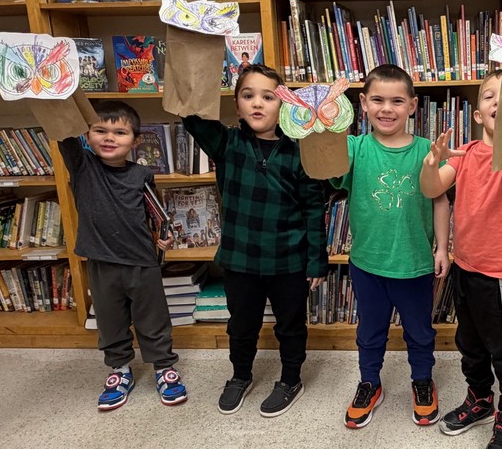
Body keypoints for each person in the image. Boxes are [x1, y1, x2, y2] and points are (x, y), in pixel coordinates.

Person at [178, 64, 327, 418]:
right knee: (241, 324)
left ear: (284, 105)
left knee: (291, 325)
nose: (257, 104)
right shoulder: (228, 142)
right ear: (236, 105)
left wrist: (316, 260)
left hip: (288, 260)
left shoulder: (299, 151)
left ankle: (291, 379)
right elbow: (191, 116)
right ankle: (239, 375)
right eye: (248, 96)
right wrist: (195, 59)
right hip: (240, 258)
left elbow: (313, 208)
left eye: (268, 97)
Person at [419, 71, 502, 449]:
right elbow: (431, 189)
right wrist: (431, 162)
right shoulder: (466, 154)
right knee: (469, 344)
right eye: (491, 96)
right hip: (466, 269)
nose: (499, 103)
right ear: (477, 113)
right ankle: (480, 399)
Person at [332, 64, 450, 429]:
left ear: (413, 106)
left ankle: (422, 381)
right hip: (367, 263)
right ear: (363, 103)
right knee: (369, 331)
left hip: (413, 264)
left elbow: (440, 200)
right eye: (378, 100)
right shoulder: (354, 147)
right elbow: (323, 165)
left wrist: (442, 248)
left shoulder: (426, 152)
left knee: (419, 331)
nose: (387, 108)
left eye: (397, 101)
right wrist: (323, 118)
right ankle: (369, 382)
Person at [58, 101, 186, 411]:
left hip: (142, 260)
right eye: (99, 130)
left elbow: (152, 210)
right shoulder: (82, 166)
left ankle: (163, 367)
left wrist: (164, 234)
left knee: (153, 320)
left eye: (119, 132)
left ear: (136, 140)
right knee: (110, 320)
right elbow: (63, 131)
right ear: (87, 135)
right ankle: (119, 370)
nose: (109, 137)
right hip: (102, 263)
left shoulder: (142, 173)